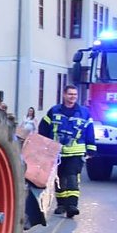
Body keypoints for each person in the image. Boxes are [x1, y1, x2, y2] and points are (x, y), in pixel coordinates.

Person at [38, 85, 96, 218]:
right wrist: (43, 146)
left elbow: (89, 131)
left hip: (76, 152)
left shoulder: (84, 112)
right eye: (70, 94)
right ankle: (61, 204)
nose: (73, 97)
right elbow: (44, 128)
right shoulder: (54, 111)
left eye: (75, 95)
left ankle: (72, 205)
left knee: (71, 176)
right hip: (56, 153)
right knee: (59, 179)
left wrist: (91, 148)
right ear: (64, 95)